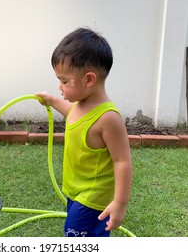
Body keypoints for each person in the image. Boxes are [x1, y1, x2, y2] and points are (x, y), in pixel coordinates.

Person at [36, 27, 132, 237]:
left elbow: (122, 161)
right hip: (75, 189)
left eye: (64, 81)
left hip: (93, 196)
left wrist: (119, 203)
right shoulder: (81, 104)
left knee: (76, 236)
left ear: (89, 80)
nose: (60, 87)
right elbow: (72, 114)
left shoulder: (108, 118)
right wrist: (52, 101)